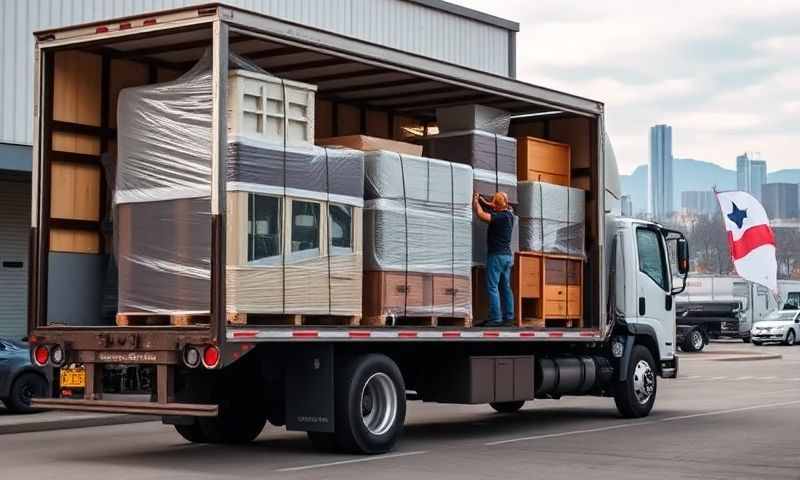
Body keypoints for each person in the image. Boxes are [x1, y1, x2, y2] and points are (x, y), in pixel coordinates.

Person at [473, 192, 514, 327]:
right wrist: (484, 201)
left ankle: (496, 318)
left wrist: (476, 202)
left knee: (492, 287)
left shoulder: (498, 217)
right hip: (507, 256)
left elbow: (481, 215)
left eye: (493, 204)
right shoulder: (509, 214)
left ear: (497, 206)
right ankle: (508, 317)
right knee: (505, 287)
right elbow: (494, 206)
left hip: (496, 256)